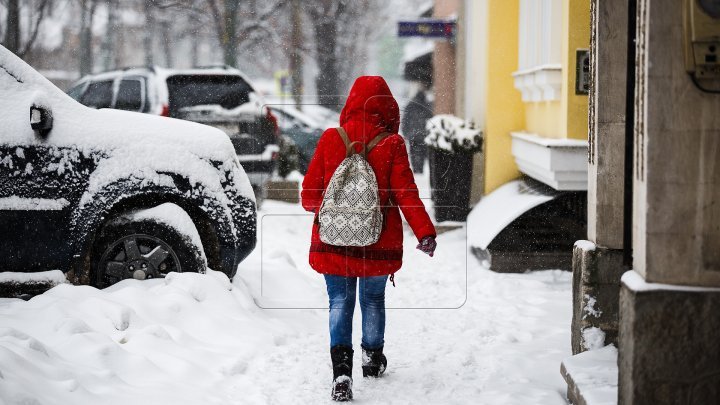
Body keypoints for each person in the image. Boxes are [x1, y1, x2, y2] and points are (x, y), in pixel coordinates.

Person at [301, 76, 437, 401]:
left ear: (350, 104)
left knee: (339, 302)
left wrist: (339, 206)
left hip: (333, 241)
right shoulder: (392, 144)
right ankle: (372, 359)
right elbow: (406, 193)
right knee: (372, 300)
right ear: (388, 107)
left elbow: (308, 196)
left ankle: (341, 374)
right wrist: (424, 231)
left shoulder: (332, 138)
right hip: (379, 244)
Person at [401, 83, 433, 173]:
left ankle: (418, 173)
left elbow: (404, 121)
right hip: (424, 137)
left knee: (416, 161)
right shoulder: (428, 105)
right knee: (426, 160)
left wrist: (407, 134)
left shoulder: (410, 105)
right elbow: (431, 119)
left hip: (414, 137)